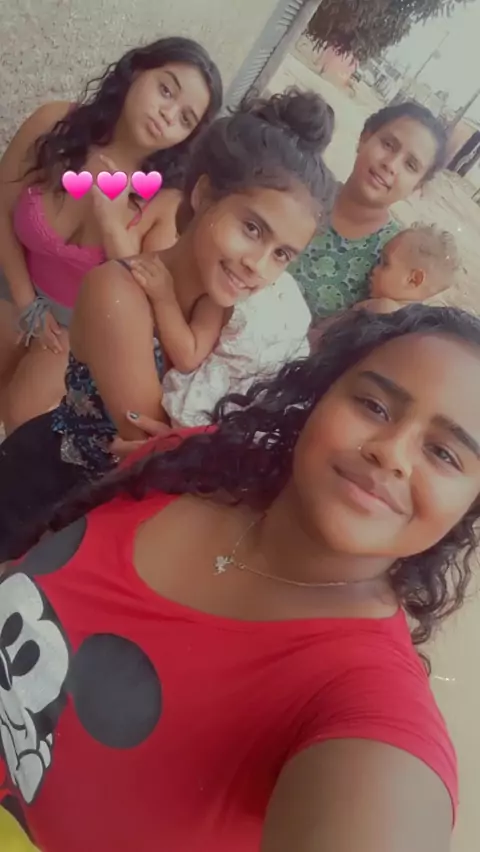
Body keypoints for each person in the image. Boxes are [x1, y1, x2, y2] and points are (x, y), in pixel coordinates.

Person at [2, 304, 480, 851]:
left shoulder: (364, 697)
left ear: (469, 505)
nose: (391, 452)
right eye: (374, 405)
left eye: (444, 454)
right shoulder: (194, 462)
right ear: (323, 393)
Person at [0, 88, 335, 560]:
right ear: (203, 194)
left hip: (119, 526)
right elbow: (150, 446)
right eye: (252, 229)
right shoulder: (119, 293)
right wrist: (211, 448)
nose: (258, 265)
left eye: (281, 254)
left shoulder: (240, 318)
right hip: (41, 498)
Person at [0, 37, 222, 433]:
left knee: (21, 415)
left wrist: (111, 222)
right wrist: (26, 302)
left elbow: (139, 296)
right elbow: (1, 207)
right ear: (137, 71)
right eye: (166, 89)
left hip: (78, 329)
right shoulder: (55, 122)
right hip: (12, 280)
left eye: (186, 119)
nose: (168, 114)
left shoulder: (165, 200)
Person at [289, 101, 449, 320]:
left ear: (417, 186)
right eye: (388, 144)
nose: (391, 164)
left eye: (410, 165)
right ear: (364, 137)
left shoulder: (398, 257)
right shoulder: (300, 189)